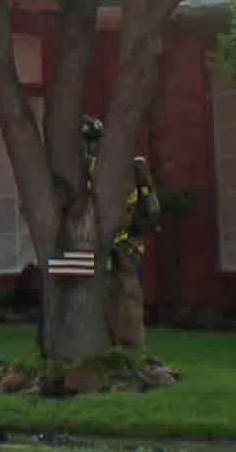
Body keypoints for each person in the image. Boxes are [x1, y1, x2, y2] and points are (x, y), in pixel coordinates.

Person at [80, 115, 161, 349]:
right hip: (107, 246)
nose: (91, 147)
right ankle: (115, 345)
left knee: (123, 295)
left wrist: (137, 239)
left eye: (93, 141)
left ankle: (127, 346)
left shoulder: (124, 168)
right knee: (112, 295)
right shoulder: (117, 167)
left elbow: (150, 207)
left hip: (119, 245)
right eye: (89, 142)